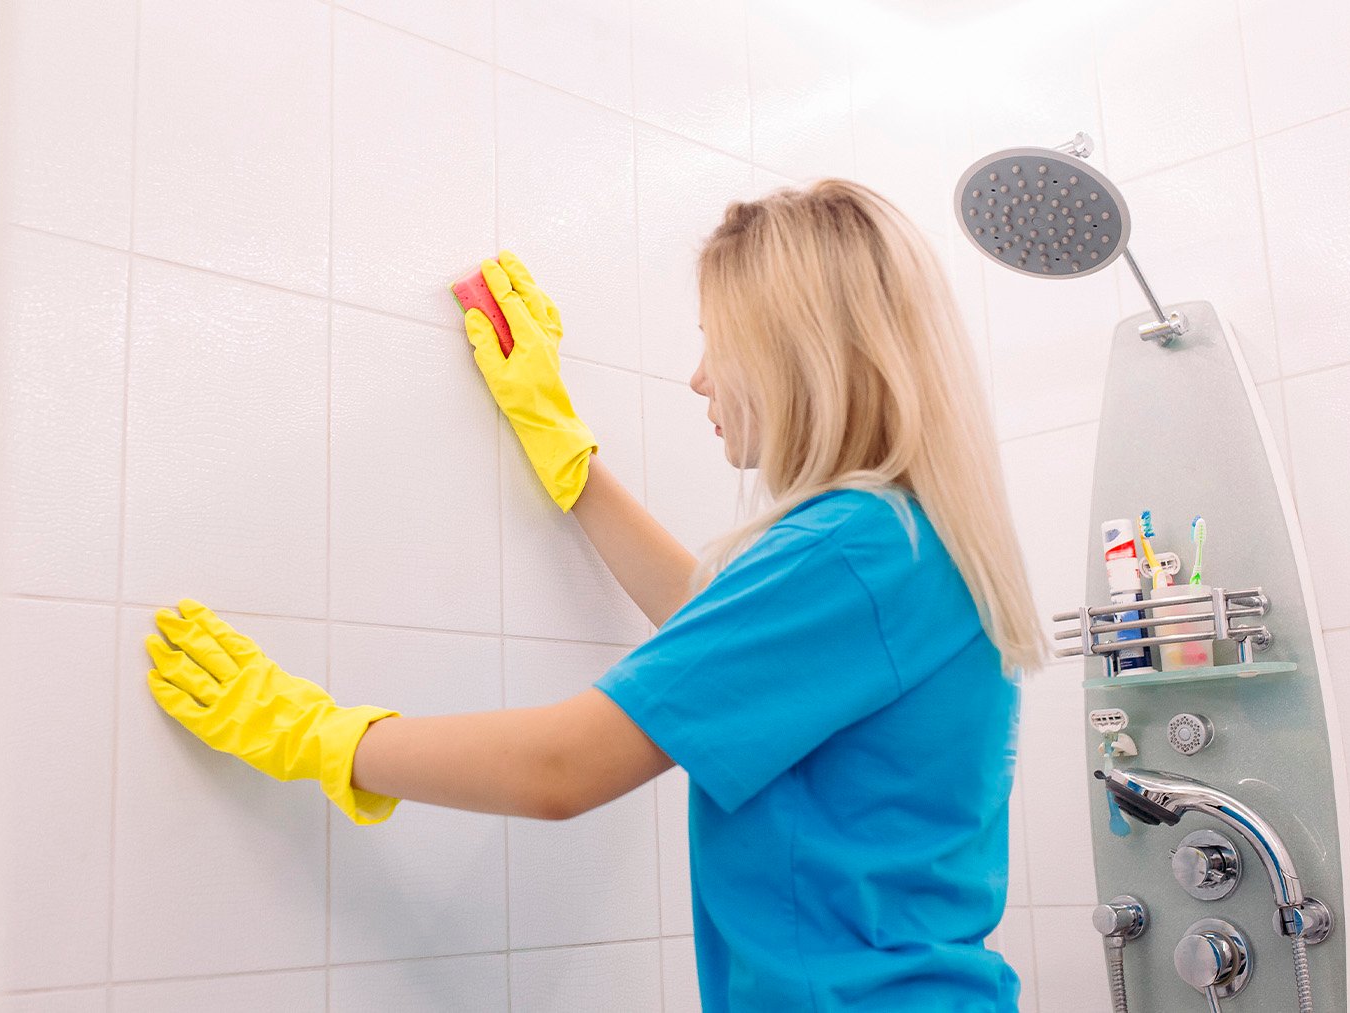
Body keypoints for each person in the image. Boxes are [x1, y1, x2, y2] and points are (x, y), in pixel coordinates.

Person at [144, 179, 1045, 1011]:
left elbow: (560, 768)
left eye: (710, 339)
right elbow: (721, 633)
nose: (698, 377)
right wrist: (564, 451)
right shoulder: (911, 539)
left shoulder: (853, 545)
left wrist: (316, 733)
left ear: (792, 347)